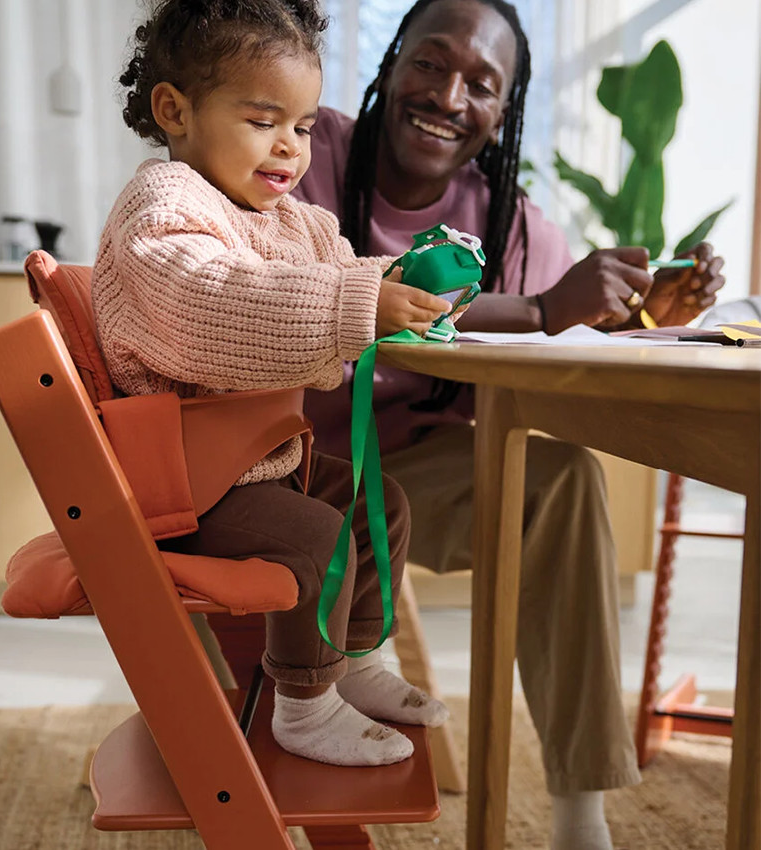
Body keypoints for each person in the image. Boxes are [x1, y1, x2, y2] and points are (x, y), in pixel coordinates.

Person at [293, 0, 726, 846]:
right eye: (431, 62)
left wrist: (640, 320)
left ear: (503, 111)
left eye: (482, 85)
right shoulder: (307, 153)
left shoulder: (510, 222)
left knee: (561, 479)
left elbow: (571, 348)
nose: (449, 95)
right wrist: (534, 307)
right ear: (391, 63)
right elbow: (314, 290)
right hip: (278, 475)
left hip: (402, 489)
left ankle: (579, 813)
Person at [92, 0, 451, 769]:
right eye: (263, 120)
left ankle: (353, 664)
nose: (290, 147)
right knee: (316, 540)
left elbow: (345, 269)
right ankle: (306, 702)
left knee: (375, 506)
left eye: (305, 125)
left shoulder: (293, 219)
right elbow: (212, 304)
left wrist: (406, 278)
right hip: (185, 482)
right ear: (175, 111)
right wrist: (356, 304)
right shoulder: (162, 209)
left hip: (259, 461)